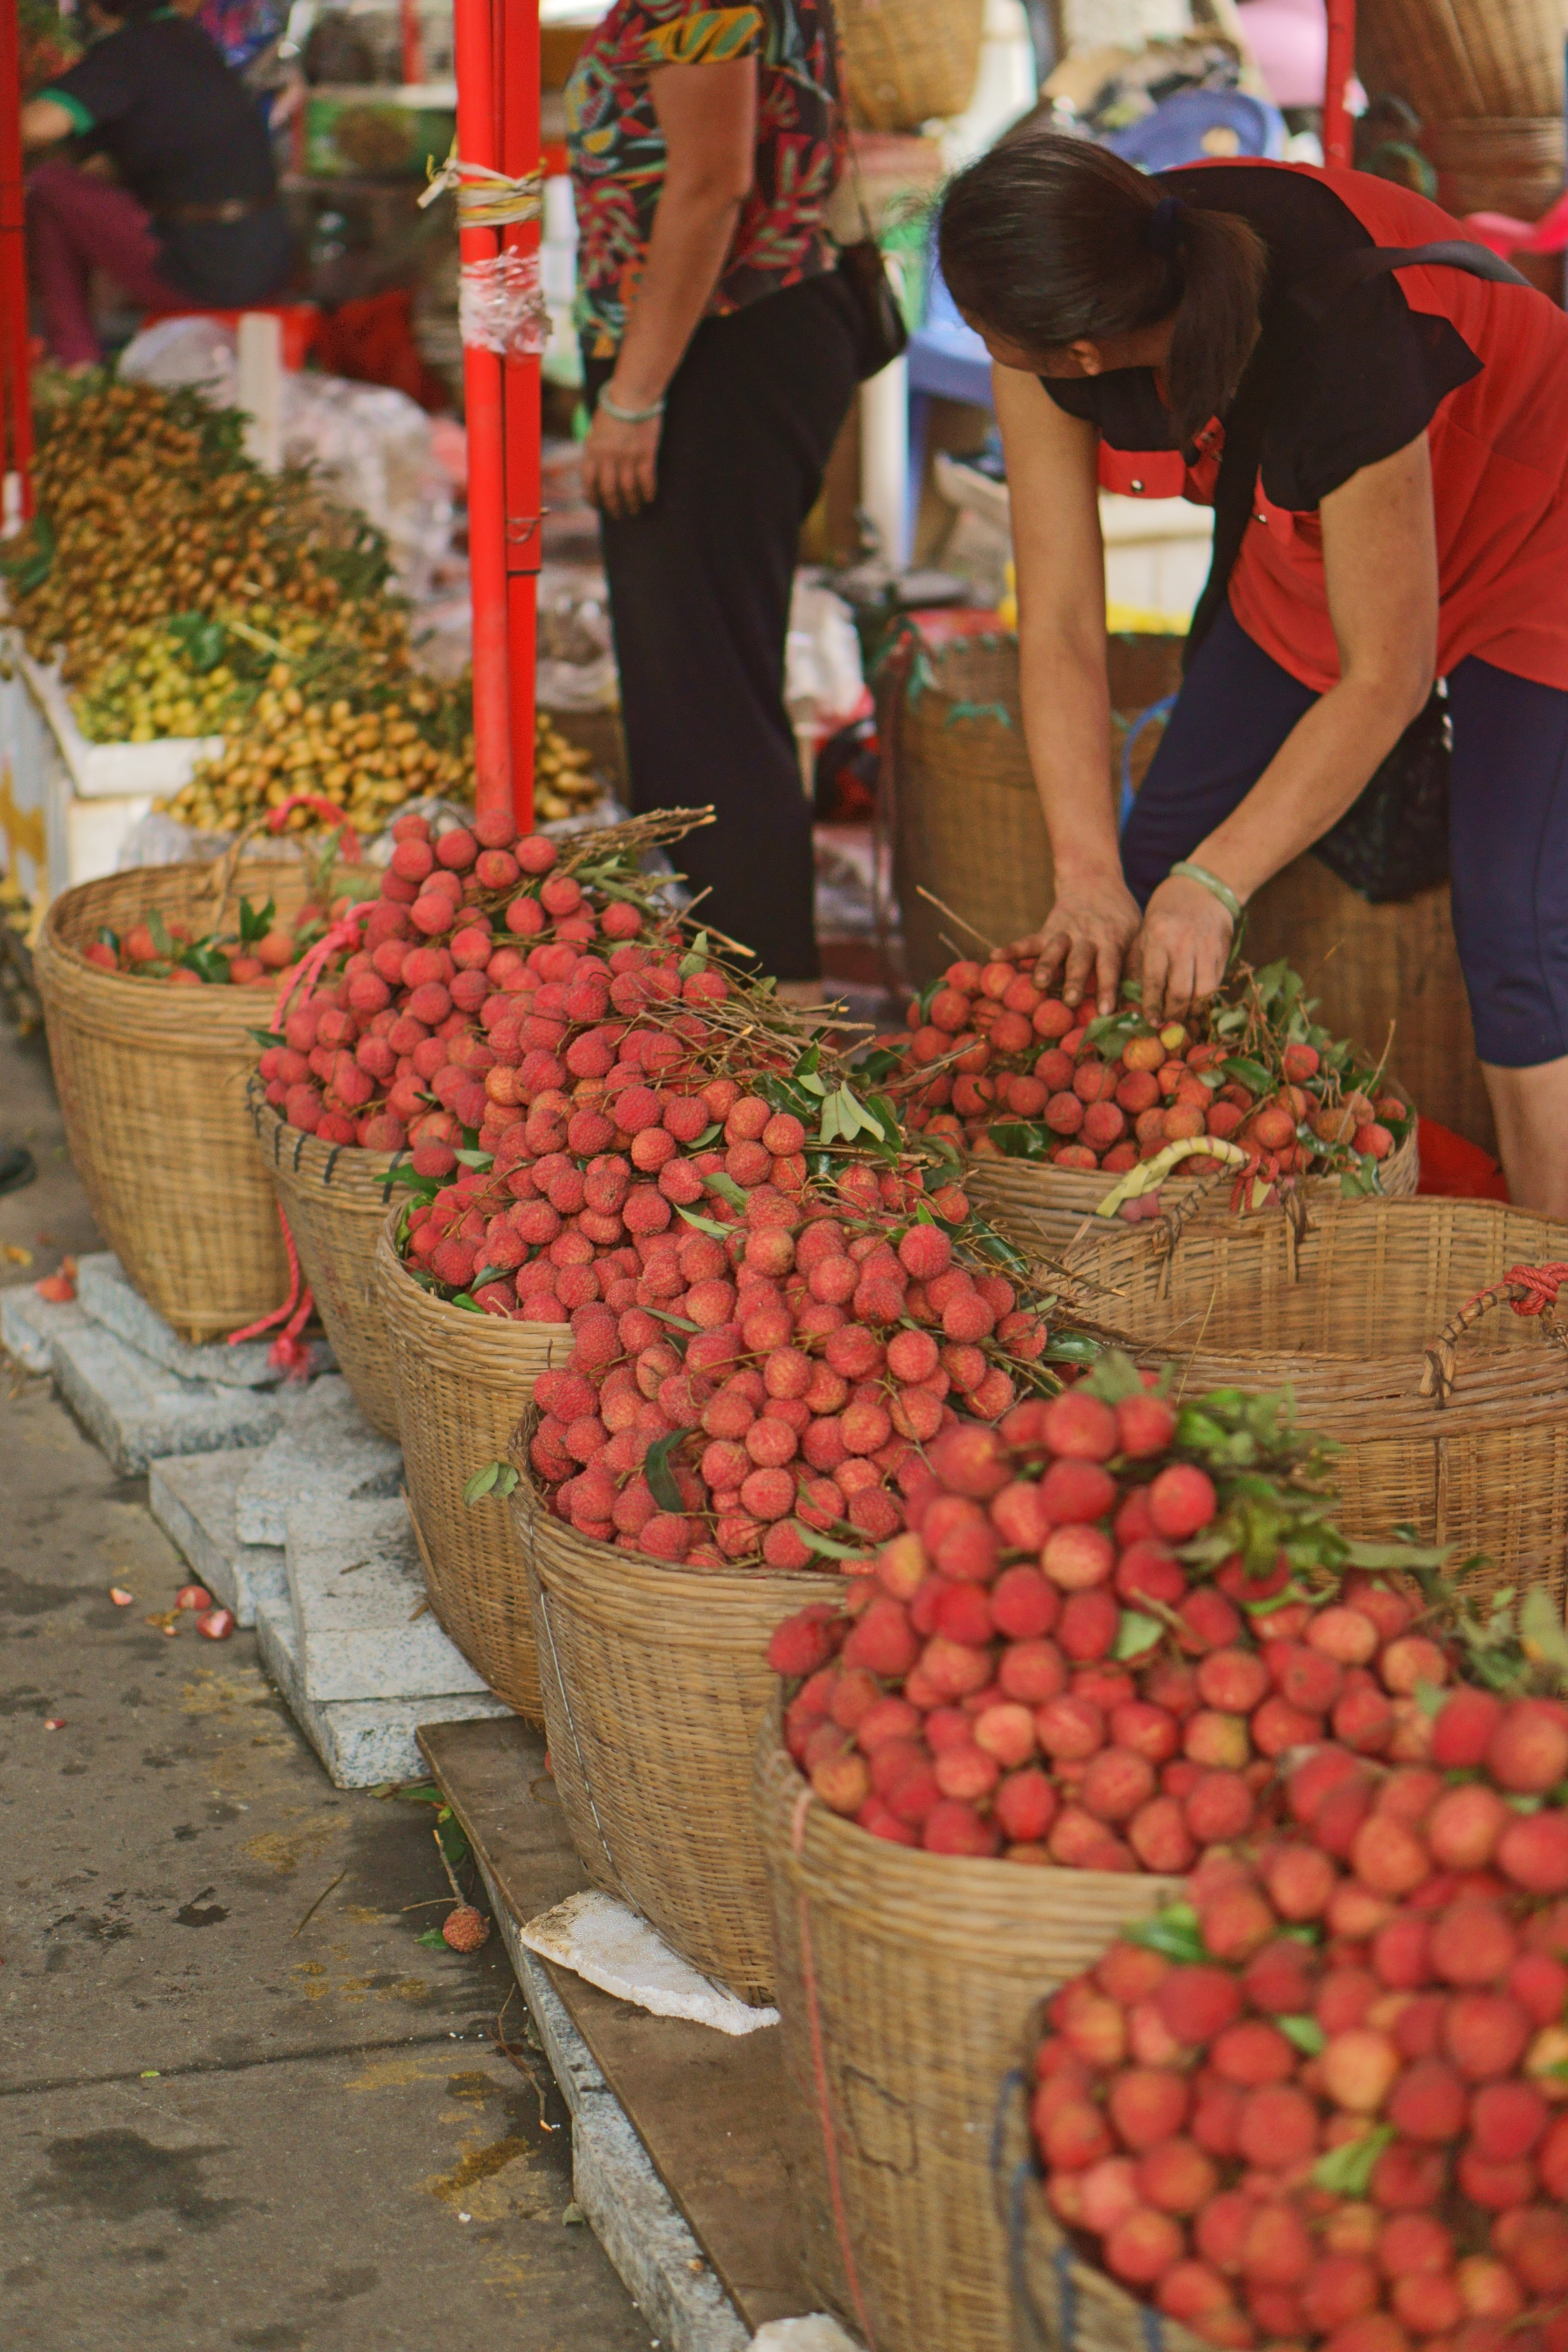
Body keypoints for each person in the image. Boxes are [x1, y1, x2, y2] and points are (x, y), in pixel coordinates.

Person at [936, 132, 1568, 1218]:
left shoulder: (1341, 345)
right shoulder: (1089, 279)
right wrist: (1087, 873)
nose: (984, 345)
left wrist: (1220, 886)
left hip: (1534, 495)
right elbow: (1064, 628)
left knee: (1519, 924)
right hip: (1330, 531)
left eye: (988, 333)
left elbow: (1387, 676)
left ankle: (1551, 1288)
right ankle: (1138, 1223)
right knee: (1140, 882)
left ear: (1080, 351)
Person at [566, 0, 862, 994]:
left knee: (702, 702)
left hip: (718, 350)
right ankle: (752, 999)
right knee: (702, 688)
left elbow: (707, 185)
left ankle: (768, 1006)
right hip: (735, 339)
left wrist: (634, 393)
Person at [23, 0, 290, 370]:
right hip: (267, 263)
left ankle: (75, 360)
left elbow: (37, 126)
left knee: (50, 188)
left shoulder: (128, 51)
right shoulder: (189, 42)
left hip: (208, 272)